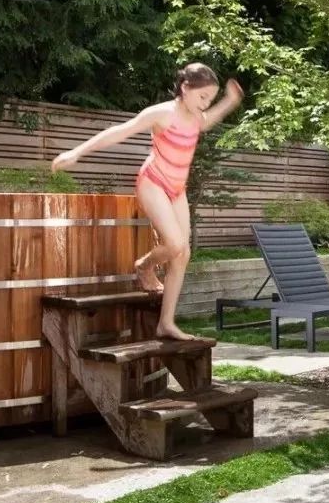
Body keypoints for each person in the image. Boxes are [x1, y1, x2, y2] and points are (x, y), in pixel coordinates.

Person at [52, 62, 244, 341]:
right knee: (175, 245)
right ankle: (144, 266)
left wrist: (229, 101)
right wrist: (77, 152)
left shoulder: (197, 117)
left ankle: (166, 323)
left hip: (177, 189)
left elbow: (208, 120)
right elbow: (120, 131)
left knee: (183, 254)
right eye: (202, 97)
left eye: (209, 99)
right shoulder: (162, 113)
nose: (205, 104)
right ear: (185, 88)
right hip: (153, 183)